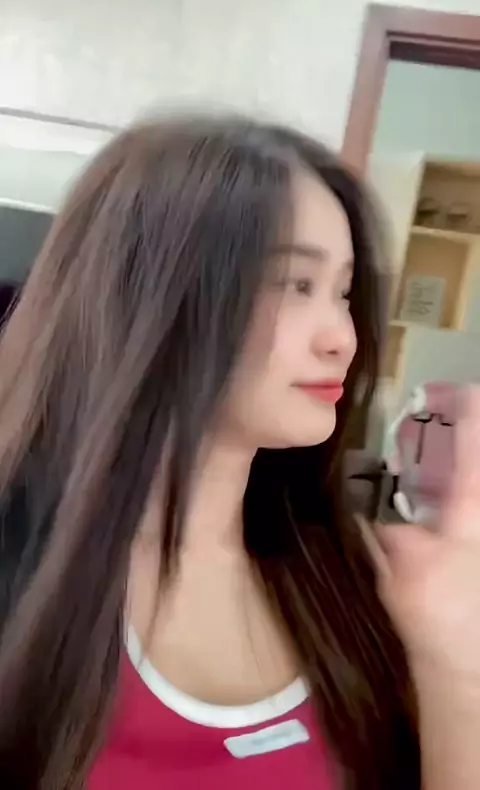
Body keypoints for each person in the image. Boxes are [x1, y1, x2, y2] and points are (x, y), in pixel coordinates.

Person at [0, 116, 478, 790]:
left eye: (343, 293)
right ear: (157, 292)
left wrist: (456, 661)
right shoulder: (27, 576)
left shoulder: (346, 577)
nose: (343, 337)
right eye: (296, 285)